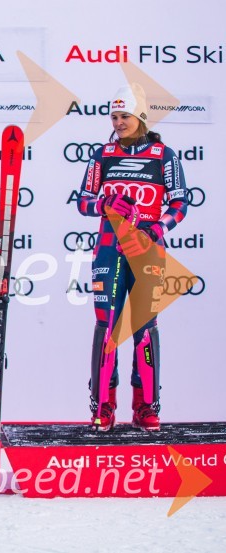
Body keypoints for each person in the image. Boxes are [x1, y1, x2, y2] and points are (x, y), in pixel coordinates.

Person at [76, 84, 189, 432]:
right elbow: (83, 201)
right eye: (114, 116)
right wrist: (105, 205)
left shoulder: (163, 155)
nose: (118, 122)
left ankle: (146, 407)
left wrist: (158, 228)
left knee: (144, 328)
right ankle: (104, 406)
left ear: (139, 117)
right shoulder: (103, 154)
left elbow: (181, 203)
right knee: (106, 327)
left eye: (124, 115)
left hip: (147, 251)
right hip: (109, 250)